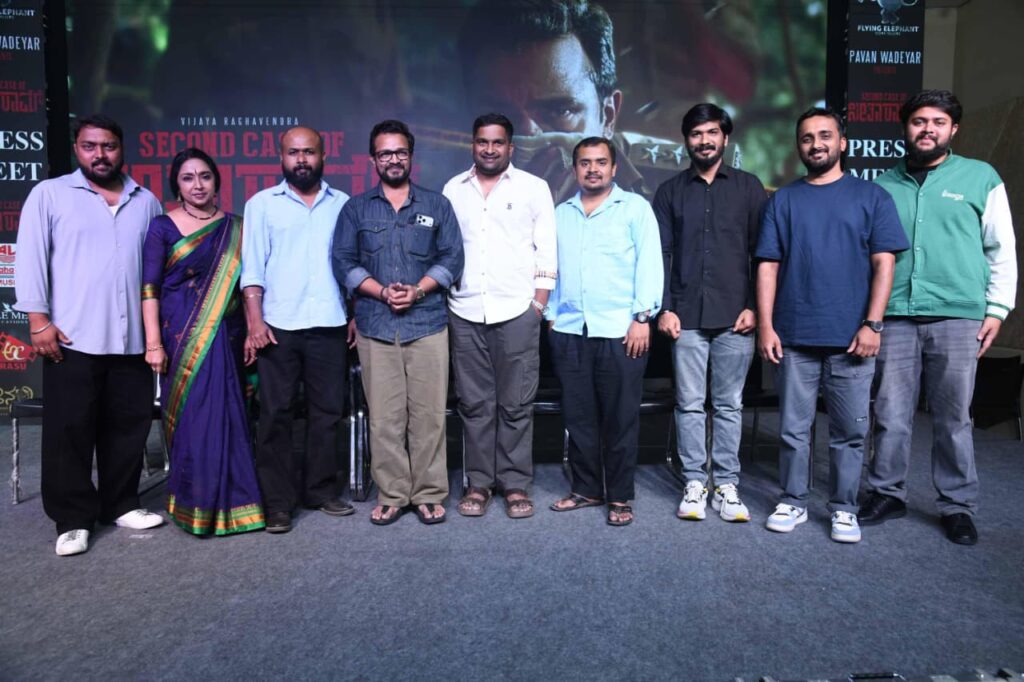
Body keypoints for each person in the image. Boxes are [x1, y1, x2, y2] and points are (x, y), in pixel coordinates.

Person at [862, 90, 1017, 545]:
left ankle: (957, 505)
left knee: (953, 416)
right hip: (895, 315)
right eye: (918, 122)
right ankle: (887, 492)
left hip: (957, 315)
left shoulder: (981, 177)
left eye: (937, 122)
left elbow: (1001, 248)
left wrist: (997, 309)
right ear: (905, 128)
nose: (927, 129)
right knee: (890, 413)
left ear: (953, 130)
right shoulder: (881, 185)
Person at [755, 107, 909, 543]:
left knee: (851, 431)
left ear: (843, 142)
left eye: (825, 135)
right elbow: (768, 265)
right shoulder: (783, 200)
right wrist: (766, 325)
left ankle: (844, 508)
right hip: (794, 335)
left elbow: (884, 264)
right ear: (798, 146)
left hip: (851, 337)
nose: (816, 144)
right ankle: (793, 500)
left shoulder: (872, 197)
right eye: (807, 138)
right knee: (792, 429)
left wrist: (873, 324)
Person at [15, 114, 166, 556]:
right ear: (77, 149)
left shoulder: (146, 201)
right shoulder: (50, 194)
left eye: (108, 146)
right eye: (90, 146)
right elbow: (31, 258)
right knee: (69, 432)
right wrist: (38, 321)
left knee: (129, 426)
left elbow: (155, 269)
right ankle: (73, 518)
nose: (100, 155)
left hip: (132, 339)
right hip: (72, 336)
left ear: (121, 149)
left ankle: (122, 503)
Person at [333, 120, 465, 526]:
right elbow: (343, 261)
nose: (393, 159)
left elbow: (453, 258)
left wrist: (418, 291)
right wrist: (381, 292)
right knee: (385, 417)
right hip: (375, 325)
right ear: (373, 159)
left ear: (411, 156)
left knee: (428, 415)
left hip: (427, 323)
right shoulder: (356, 208)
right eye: (385, 153)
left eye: (400, 152)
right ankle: (392, 494)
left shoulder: (437, 205)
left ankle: (428, 493)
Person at [141, 148, 265, 536]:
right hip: (181, 338)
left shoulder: (236, 227)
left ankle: (237, 504)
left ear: (216, 181)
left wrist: (251, 329)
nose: (198, 185)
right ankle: (195, 503)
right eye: (188, 178)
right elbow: (149, 289)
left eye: (205, 176)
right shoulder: (162, 227)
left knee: (231, 415)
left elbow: (248, 284)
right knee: (195, 420)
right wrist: (153, 343)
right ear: (176, 185)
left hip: (229, 334)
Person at [654, 103, 766, 523]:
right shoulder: (669, 192)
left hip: (737, 317)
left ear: (725, 137)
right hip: (684, 316)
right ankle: (695, 482)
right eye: (697, 134)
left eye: (712, 133)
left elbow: (762, 253)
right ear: (687, 140)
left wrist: (755, 306)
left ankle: (727, 485)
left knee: (729, 405)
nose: (704, 141)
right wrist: (665, 307)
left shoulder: (749, 188)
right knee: (689, 404)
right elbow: (661, 255)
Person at [443, 113, 557, 519]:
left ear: (511, 147)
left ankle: (514, 484)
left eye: (497, 142)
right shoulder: (453, 189)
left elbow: (546, 250)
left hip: (517, 311)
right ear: (472, 144)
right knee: (474, 404)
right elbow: (446, 249)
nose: (489, 149)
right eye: (482, 142)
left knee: (516, 403)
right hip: (465, 310)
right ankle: (478, 483)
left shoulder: (533, 187)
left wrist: (538, 306)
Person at [241, 126, 354, 534]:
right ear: (282, 157)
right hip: (278, 326)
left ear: (323, 156)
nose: (301, 159)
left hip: (330, 323)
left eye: (309, 152)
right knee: (276, 414)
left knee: (328, 413)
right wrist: (254, 321)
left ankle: (320, 491)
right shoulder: (261, 204)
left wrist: (354, 314)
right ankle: (278, 503)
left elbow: (351, 266)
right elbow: (252, 267)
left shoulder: (343, 204)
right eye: (294, 153)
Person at [456, 0, 680, 203]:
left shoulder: (682, 181)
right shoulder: (445, 184)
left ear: (608, 116)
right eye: (499, 115)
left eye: (559, 111)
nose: (527, 132)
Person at [547, 136, 662, 526]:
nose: (592, 169)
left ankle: (620, 496)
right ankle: (587, 489)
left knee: (620, 417)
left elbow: (649, 263)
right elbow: (550, 266)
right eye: (585, 162)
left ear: (614, 168)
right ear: (575, 168)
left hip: (621, 330)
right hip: (569, 329)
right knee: (578, 416)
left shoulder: (635, 208)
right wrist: (550, 316)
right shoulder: (561, 213)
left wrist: (642, 318)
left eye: (600, 162)